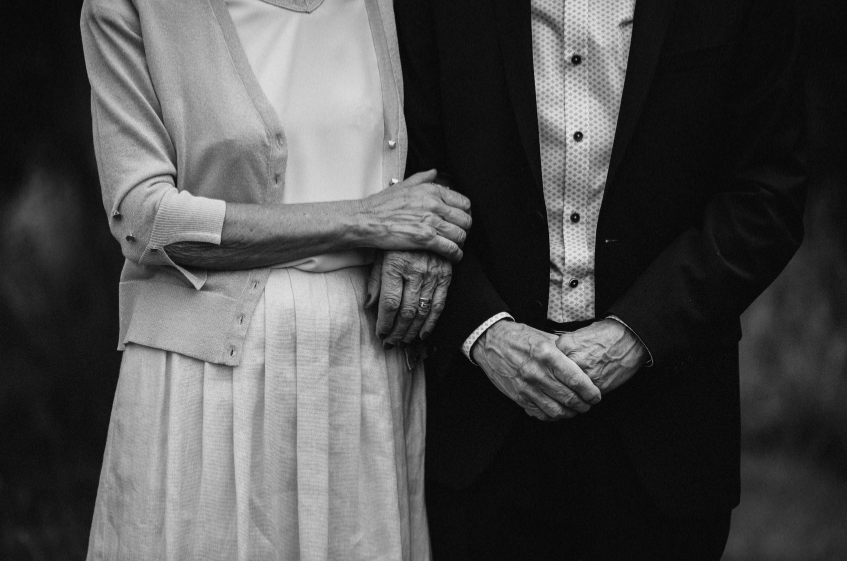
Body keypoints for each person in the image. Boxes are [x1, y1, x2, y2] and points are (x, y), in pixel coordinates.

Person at [395, 0, 807, 559]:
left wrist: (635, 334)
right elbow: (405, 175)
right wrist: (485, 333)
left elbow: (766, 197)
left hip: (666, 432)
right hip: (478, 425)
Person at [80, 0, 472, 559]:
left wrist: (418, 238)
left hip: (362, 366)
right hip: (209, 381)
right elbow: (145, 219)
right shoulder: (131, 8)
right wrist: (364, 219)